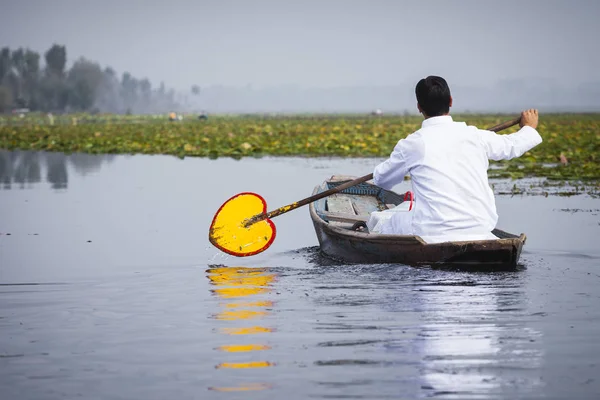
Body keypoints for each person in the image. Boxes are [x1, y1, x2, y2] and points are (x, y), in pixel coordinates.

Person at [367, 76, 542, 243]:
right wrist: (528, 127)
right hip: (479, 226)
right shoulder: (476, 136)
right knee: (404, 211)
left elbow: (382, 180)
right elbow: (513, 145)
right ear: (450, 101)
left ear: (419, 107)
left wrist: (379, 171)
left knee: (380, 220)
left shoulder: (412, 144)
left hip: (431, 231)